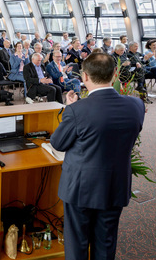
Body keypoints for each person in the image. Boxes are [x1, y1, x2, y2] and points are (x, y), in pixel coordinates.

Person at [50, 53, 145, 260]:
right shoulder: (136, 106)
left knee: (77, 245)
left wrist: (70, 107)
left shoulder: (77, 110)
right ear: (115, 74)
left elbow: (58, 143)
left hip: (80, 188)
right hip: (114, 186)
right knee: (106, 242)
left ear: (84, 77)